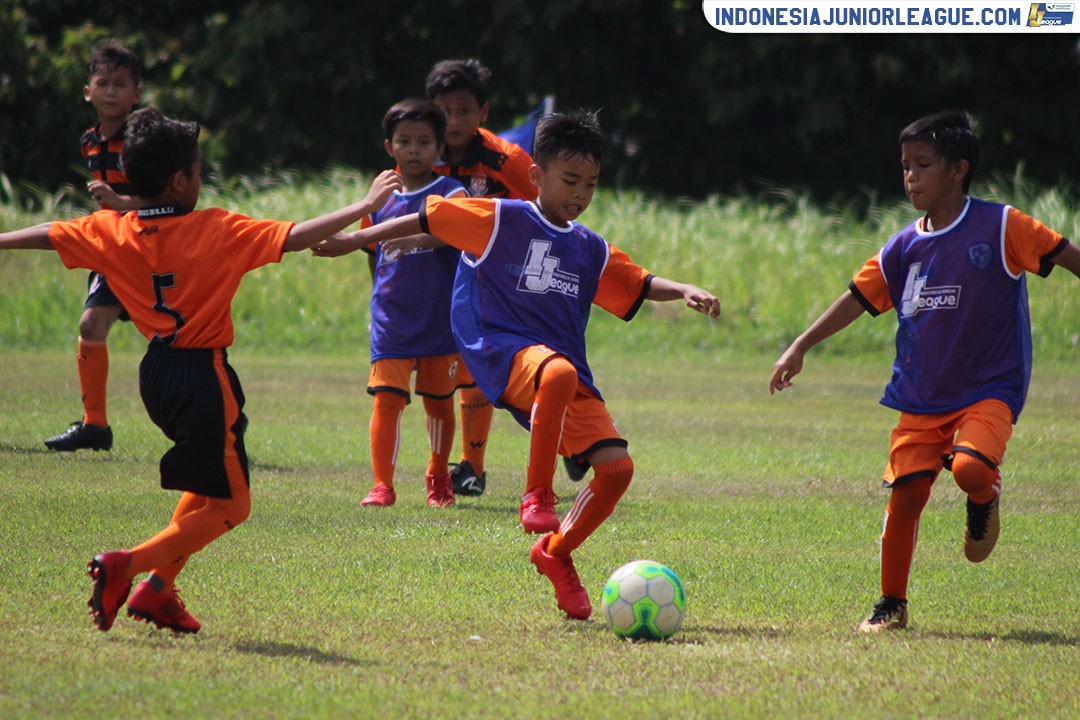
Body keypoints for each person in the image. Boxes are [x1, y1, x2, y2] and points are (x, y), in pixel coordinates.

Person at [0, 107, 401, 633]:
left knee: (207, 481)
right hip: (203, 376)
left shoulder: (112, 231)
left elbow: (49, 232)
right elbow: (300, 235)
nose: (201, 179)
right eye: (198, 170)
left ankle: (156, 591)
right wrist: (366, 205)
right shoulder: (216, 229)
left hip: (156, 376)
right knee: (233, 506)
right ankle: (127, 565)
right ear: (180, 180)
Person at [314, 110, 720, 619]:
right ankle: (537, 495)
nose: (580, 193)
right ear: (536, 177)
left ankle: (555, 554)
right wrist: (353, 239)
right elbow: (427, 218)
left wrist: (682, 288)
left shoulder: (588, 247)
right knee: (558, 373)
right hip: (499, 348)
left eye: (590, 184)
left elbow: (636, 283)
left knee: (616, 469)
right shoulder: (503, 217)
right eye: (569, 180)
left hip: (558, 367)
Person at [769, 110, 1080, 633]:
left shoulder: (1002, 225)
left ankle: (985, 497)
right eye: (905, 165)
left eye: (923, 165)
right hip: (920, 394)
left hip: (990, 387)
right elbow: (855, 299)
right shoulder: (903, 248)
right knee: (906, 495)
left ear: (958, 170)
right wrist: (801, 345)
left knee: (970, 469)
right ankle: (892, 604)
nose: (910, 176)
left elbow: (1068, 256)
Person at [333, 99, 469, 509]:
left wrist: (415, 239)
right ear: (389, 146)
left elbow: (457, 231)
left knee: (439, 404)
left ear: (439, 147)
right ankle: (382, 485)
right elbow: (374, 257)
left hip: (440, 322)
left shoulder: (451, 191)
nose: (414, 149)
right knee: (387, 399)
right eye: (405, 141)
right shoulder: (379, 199)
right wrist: (380, 307)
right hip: (393, 322)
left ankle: (438, 474)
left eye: (424, 141)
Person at [424, 58, 541, 498]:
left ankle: (472, 466)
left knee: (478, 364)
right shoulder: (419, 148)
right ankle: (568, 437)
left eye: (463, 110)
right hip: (433, 278)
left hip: (492, 277)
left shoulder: (505, 159)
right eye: (445, 110)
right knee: (445, 369)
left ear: (484, 112)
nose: (453, 121)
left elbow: (543, 205)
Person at [44, 40, 145, 452]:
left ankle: (225, 413)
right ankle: (95, 426)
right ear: (87, 91)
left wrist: (123, 205)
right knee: (90, 325)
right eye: (102, 82)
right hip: (111, 250)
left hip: (148, 249)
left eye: (121, 84)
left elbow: (168, 198)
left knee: (175, 334)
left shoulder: (143, 138)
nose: (110, 91)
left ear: (136, 94)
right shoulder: (90, 140)